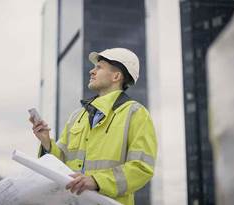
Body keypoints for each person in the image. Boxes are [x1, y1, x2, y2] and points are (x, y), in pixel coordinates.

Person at [29, 48, 157, 205]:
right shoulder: (78, 116)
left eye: (99, 67)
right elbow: (61, 163)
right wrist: (46, 143)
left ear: (116, 76)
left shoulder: (136, 114)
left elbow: (141, 168)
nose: (92, 71)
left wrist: (97, 181)